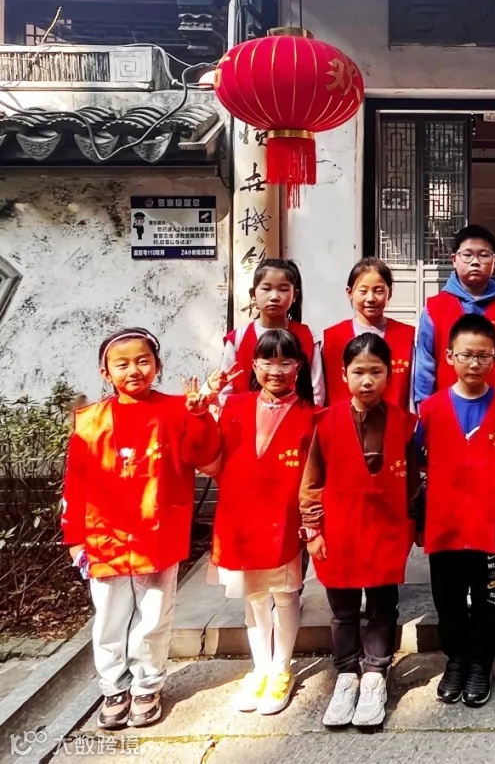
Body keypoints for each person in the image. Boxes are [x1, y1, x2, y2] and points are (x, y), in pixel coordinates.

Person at [61, 328, 221, 730]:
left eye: (143, 360)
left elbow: (203, 455)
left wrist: (200, 415)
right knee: (109, 618)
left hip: (158, 534)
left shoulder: (176, 410)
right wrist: (75, 538)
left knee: (153, 617)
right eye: (122, 364)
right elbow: (75, 483)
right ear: (105, 372)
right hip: (104, 536)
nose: (134, 370)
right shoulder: (90, 421)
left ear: (157, 365)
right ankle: (114, 687)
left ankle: (147, 685)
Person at [300, 333, 418, 728]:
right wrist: (313, 528)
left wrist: (409, 527)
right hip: (340, 530)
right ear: (343, 374)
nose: (367, 381)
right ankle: (347, 674)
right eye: (359, 372)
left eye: (376, 372)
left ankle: (375, 675)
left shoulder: (404, 424)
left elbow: (413, 483)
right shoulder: (326, 422)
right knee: (344, 610)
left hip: (386, 531)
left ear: (390, 374)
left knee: (384, 607)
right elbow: (312, 482)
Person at [203, 329, 317, 716]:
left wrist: (311, 519)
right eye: (267, 361)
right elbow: (206, 455)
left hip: (284, 520)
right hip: (240, 517)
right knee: (253, 598)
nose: (276, 370)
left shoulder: (311, 415)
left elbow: (315, 476)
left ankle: (282, 668)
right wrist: (201, 410)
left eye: (286, 362)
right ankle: (261, 667)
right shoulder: (233, 406)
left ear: (299, 367)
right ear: (253, 365)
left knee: (284, 595)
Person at [416, 313, 495, 708]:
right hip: (444, 527)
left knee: (487, 601)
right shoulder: (430, 410)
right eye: (466, 355)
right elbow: (418, 470)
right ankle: (456, 660)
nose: (475, 363)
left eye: (484, 356)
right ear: (449, 357)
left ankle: (481, 662)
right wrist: (420, 520)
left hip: (490, 526)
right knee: (447, 600)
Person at [413, 225, 495, 408]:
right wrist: (424, 407)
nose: (475, 262)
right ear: (454, 260)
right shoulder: (434, 308)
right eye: (467, 255)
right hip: (446, 411)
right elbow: (425, 365)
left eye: (483, 255)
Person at [221, 259, 325, 406]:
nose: (274, 296)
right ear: (253, 294)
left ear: (295, 295)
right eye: (266, 289)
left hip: (296, 417)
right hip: (244, 417)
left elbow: (317, 390)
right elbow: (225, 389)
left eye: (283, 289)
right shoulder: (238, 338)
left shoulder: (307, 337)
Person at [323, 257, 415, 410]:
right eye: (363, 291)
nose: (371, 298)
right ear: (350, 293)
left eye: (378, 291)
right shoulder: (333, 338)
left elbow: (411, 392)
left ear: (389, 293)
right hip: (342, 421)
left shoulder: (405, 336)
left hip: (393, 421)